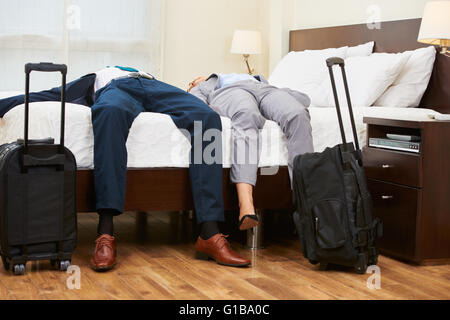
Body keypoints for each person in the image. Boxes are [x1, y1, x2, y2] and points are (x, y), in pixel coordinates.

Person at [0, 66, 251, 271]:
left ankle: (209, 232)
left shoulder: (144, 73)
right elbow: (41, 96)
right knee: (109, 112)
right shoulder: (95, 78)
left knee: (207, 118)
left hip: (153, 85)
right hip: (116, 90)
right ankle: (106, 233)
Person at [188, 73, 314, 230]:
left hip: (265, 90)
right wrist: (200, 87)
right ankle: (246, 204)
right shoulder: (206, 85)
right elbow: (196, 104)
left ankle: (307, 203)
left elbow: (305, 100)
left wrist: (282, 93)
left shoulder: (257, 78)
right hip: (231, 91)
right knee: (246, 114)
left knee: (298, 114)